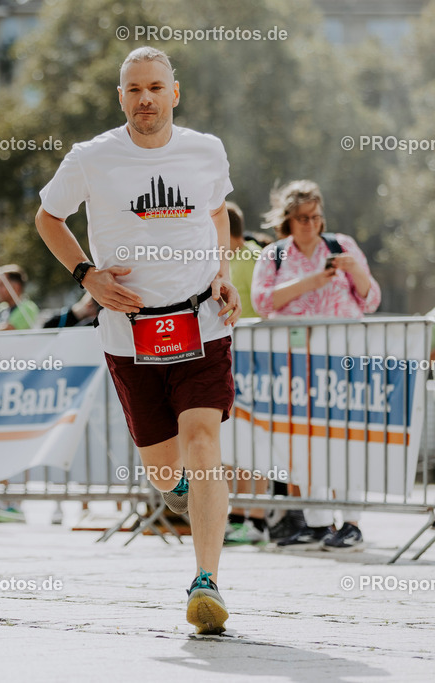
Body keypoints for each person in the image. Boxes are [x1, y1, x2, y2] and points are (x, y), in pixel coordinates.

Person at [35, 47, 240, 634]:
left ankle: (207, 582)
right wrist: (87, 276)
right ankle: (172, 486)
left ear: (174, 93)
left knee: (203, 441)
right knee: (160, 466)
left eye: (155, 88)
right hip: (131, 334)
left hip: (202, 323)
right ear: (121, 97)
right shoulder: (91, 157)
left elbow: (217, 213)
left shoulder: (206, 149)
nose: (145, 99)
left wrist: (223, 273)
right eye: (133, 90)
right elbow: (49, 218)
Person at [250, 179, 380, 552]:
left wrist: (355, 270)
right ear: (288, 220)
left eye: (316, 217)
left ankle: (351, 522)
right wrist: (311, 281)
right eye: (303, 218)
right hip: (297, 363)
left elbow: (370, 300)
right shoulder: (274, 255)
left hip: (345, 360)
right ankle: (320, 521)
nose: (310, 224)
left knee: (348, 438)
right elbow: (262, 302)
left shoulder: (343, 246)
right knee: (303, 441)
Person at [222, 202, 270, 546]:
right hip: (232, 362)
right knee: (233, 441)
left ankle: (256, 519)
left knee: (256, 441)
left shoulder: (253, 258)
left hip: (258, 363)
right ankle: (237, 515)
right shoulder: (228, 257)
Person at [0, 264, 39, 331]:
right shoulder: (1, 308)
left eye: (1, 285)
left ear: (16, 287)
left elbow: (9, 328)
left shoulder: (27, 307)